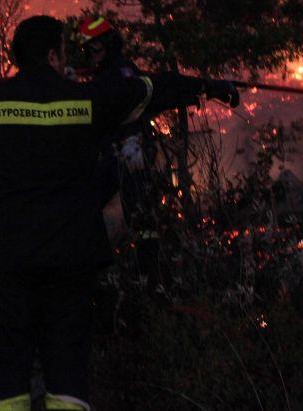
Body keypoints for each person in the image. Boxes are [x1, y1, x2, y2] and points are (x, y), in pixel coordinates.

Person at [0, 15, 238, 411]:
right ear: (56, 54)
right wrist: (207, 87)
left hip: (7, 259)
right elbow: (150, 89)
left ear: (18, 57)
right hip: (71, 260)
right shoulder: (87, 101)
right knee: (68, 376)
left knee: (5, 380)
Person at [77, 15, 240, 286]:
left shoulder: (122, 78)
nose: (89, 56)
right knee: (87, 207)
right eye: (85, 50)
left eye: (91, 48)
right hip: (113, 155)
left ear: (105, 45)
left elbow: (165, 86)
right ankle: (107, 271)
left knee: (141, 221)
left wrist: (212, 88)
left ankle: (150, 282)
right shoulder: (107, 75)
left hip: (133, 154)